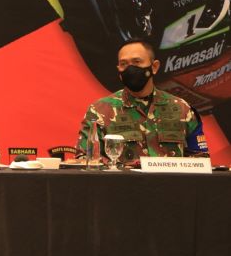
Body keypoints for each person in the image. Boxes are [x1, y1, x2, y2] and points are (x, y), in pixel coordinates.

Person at [76, 38, 209, 163]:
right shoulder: (100, 110)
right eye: (124, 64)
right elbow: (85, 161)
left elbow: (201, 161)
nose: (130, 69)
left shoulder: (182, 109)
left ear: (154, 67)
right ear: (119, 71)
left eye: (137, 62)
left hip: (171, 180)